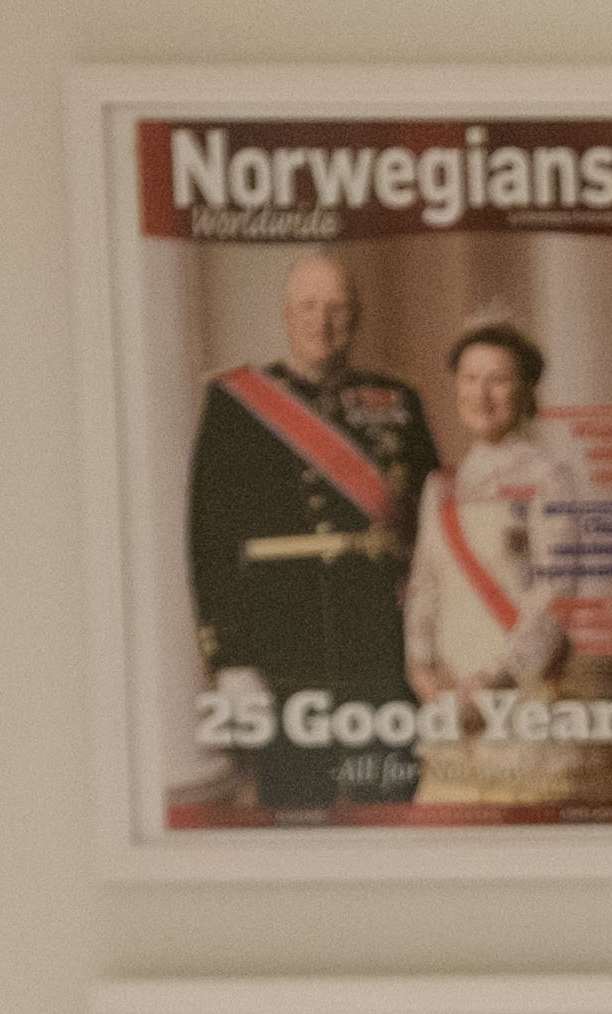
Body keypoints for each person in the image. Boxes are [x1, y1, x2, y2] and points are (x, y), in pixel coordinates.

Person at [186, 248, 436, 812]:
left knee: (389, 793)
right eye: (309, 307)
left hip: (378, 634)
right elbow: (209, 536)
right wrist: (228, 657)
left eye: (338, 309)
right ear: (286, 314)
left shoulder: (399, 402)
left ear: (358, 317)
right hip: (278, 635)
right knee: (295, 803)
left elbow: (431, 526)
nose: (323, 323)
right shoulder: (234, 404)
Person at [404, 322, 574, 711]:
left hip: (516, 694)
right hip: (448, 697)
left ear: (525, 390)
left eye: (498, 380)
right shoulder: (441, 486)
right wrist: (423, 669)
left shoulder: (547, 478)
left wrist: (495, 683)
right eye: (470, 379)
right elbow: (425, 586)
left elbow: (555, 593)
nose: (481, 394)